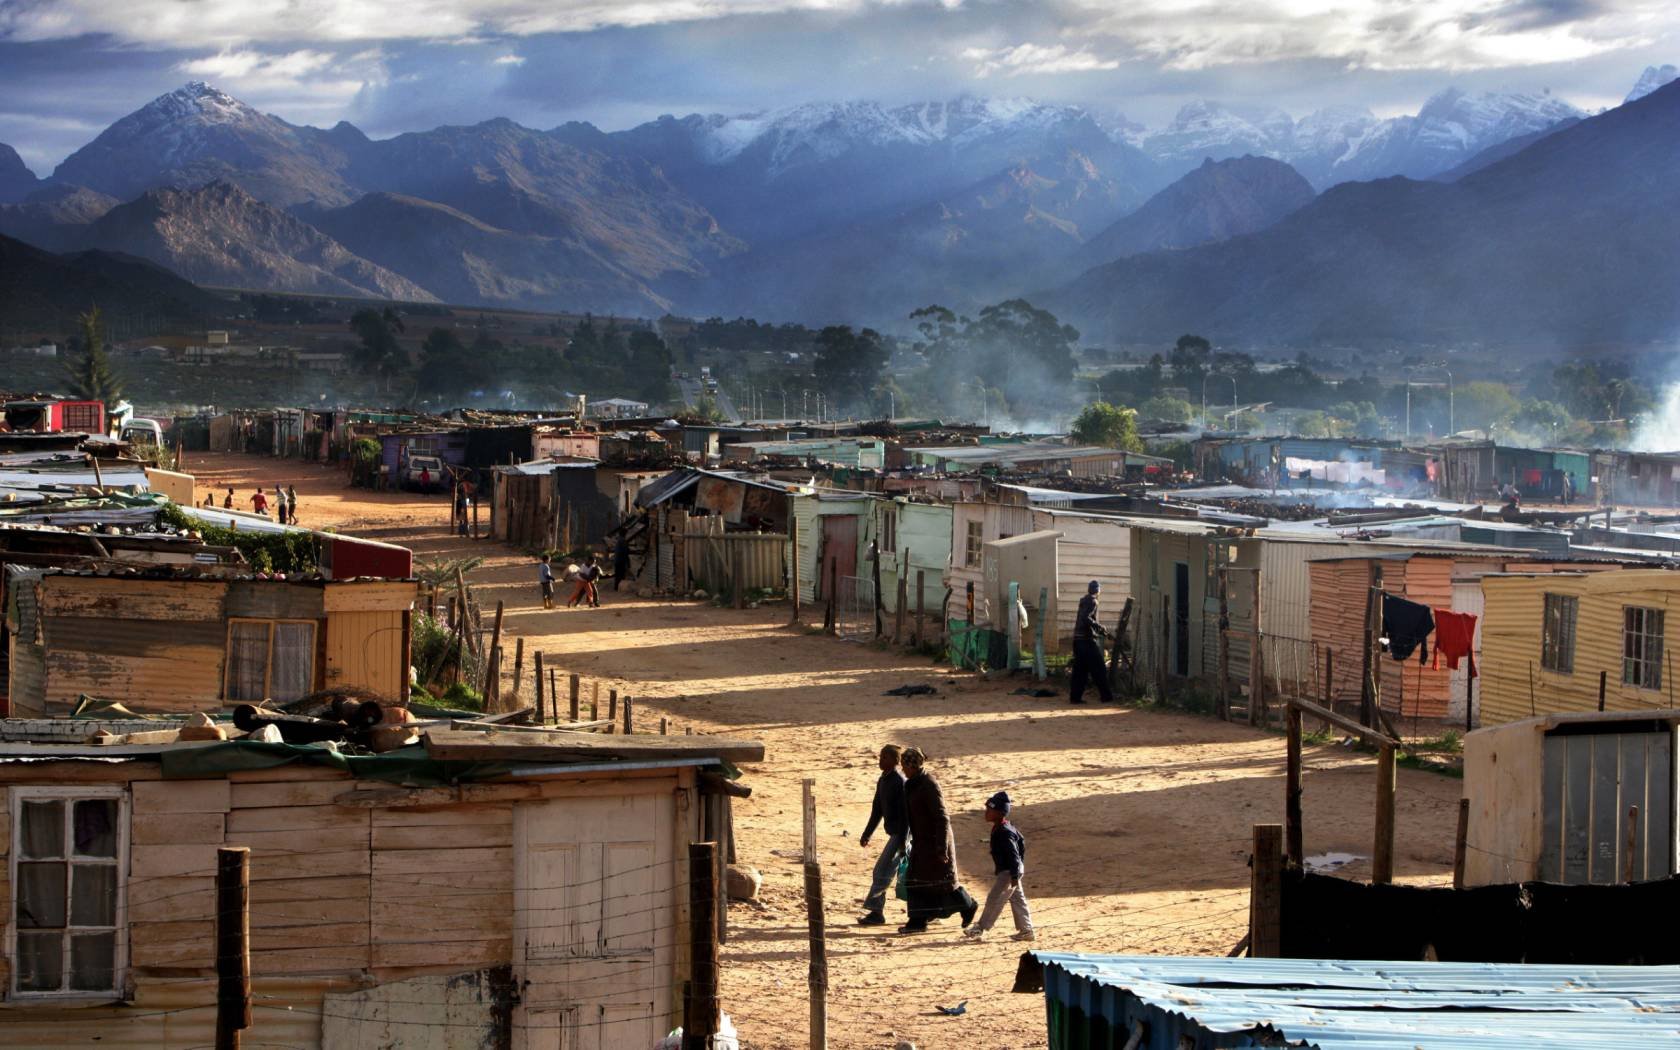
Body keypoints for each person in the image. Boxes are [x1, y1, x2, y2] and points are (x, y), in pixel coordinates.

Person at [898, 747, 977, 935]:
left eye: (904, 766)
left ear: (913, 766)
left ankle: (967, 905)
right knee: (919, 881)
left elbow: (942, 818)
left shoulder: (928, 784)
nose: (902, 769)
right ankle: (919, 919)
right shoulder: (913, 783)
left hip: (934, 843)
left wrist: (941, 848)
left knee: (942, 882)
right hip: (922, 842)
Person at [963, 791, 1035, 942]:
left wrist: (1014, 874)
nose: (986, 812)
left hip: (1009, 872)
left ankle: (980, 928)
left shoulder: (1004, 832)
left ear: (999, 813)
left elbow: (1013, 854)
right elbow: (1021, 843)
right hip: (1014, 870)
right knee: (1018, 899)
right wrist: (1019, 868)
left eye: (990, 810)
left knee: (994, 898)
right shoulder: (1005, 827)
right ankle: (1026, 930)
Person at [857, 744, 908, 927]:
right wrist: (867, 833)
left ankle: (876, 911)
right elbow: (877, 809)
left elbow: (905, 816)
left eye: (885, 757)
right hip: (895, 833)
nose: (880, 760)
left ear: (895, 761)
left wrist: (902, 843)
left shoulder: (899, 782)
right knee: (887, 872)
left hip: (902, 833)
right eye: (880, 757)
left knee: (882, 870)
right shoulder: (883, 780)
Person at [1069, 580, 1113, 704]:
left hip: (1077, 640)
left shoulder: (1083, 601)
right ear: (1098, 591)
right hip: (1086, 641)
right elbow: (1086, 618)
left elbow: (1084, 618)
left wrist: (1100, 630)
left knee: (1080, 671)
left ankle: (1075, 698)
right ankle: (1106, 696)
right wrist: (1100, 627)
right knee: (1099, 668)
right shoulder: (1093, 601)